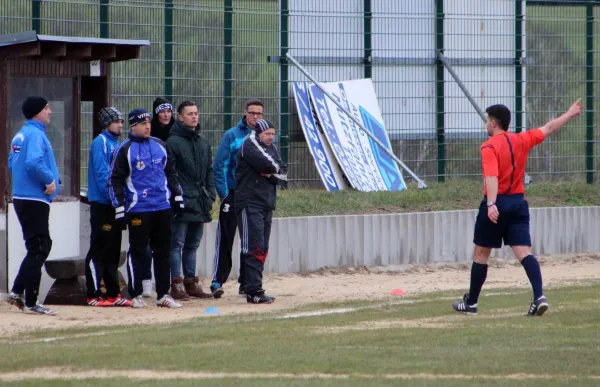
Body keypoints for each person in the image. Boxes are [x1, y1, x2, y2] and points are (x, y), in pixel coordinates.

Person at [452, 99, 583, 316]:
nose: (485, 124)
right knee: (524, 252)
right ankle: (539, 296)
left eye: (487, 121)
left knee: (481, 253)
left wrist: (492, 204)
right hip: (518, 203)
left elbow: (491, 176)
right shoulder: (521, 139)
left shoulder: (489, 146)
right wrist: (569, 114)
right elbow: (548, 128)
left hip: (498, 202)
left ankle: (471, 303)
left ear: (494, 123)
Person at [109, 108, 184, 309]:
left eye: (149, 123)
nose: (148, 126)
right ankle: (135, 294)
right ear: (133, 126)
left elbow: (171, 173)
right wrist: (119, 207)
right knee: (138, 251)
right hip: (138, 208)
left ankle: (163, 294)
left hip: (162, 206)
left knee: (163, 251)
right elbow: (114, 180)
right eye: (143, 124)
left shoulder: (160, 145)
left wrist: (177, 195)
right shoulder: (124, 149)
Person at [6, 96, 60, 315]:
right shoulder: (36, 135)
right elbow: (33, 162)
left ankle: (18, 291)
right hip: (34, 198)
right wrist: (48, 181)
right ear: (37, 112)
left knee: (37, 247)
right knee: (40, 247)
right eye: (47, 108)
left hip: (22, 197)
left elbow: (12, 163)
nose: (50, 111)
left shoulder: (20, 134)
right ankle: (30, 301)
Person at [210, 99, 264, 298]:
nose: (256, 117)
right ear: (245, 113)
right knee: (226, 237)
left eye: (259, 113)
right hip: (232, 194)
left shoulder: (264, 137)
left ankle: (246, 282)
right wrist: (224, 194)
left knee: (249, 241)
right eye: (252, 113)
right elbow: (220, 166)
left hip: (252, 197)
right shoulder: (232, 135)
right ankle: (217, 281)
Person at [166, 101, 216, 300]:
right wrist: (177, 194)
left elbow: (210, 171)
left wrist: (211, 193)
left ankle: (191, 282)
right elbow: (171, 172)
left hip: (201, 200)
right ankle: (176, 284)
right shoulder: (173, 142)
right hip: (182, 201)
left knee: (193, 244)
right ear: (180, 117)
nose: (194, 117)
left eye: (196, 113)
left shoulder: (203, 141)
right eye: (189, 114)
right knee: (176, 243)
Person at [235, 118, 287, 304]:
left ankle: (249, 285)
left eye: (273, 134)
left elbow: (283, 172)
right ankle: (254, 291)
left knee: (262, 248)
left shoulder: (271, 148)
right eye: (267, 134)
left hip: (267, 203)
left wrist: (271, 172)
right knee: (254, 246)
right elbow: (270, 166)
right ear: (258, 133)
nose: (271, 137)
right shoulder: (249, 144)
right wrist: (272, 170)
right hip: (250, 203)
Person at [84, 107, 131, 307]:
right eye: (116, 121)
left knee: (113, 250)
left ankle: (113, 294)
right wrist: (113, 198)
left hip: (115, 205)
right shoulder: (100, 142)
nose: (121, 124)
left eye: (121, 121)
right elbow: (104, 175)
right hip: (103, 204)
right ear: (106, 123)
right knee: (98, 250)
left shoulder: (118, 143)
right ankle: (92, 295)